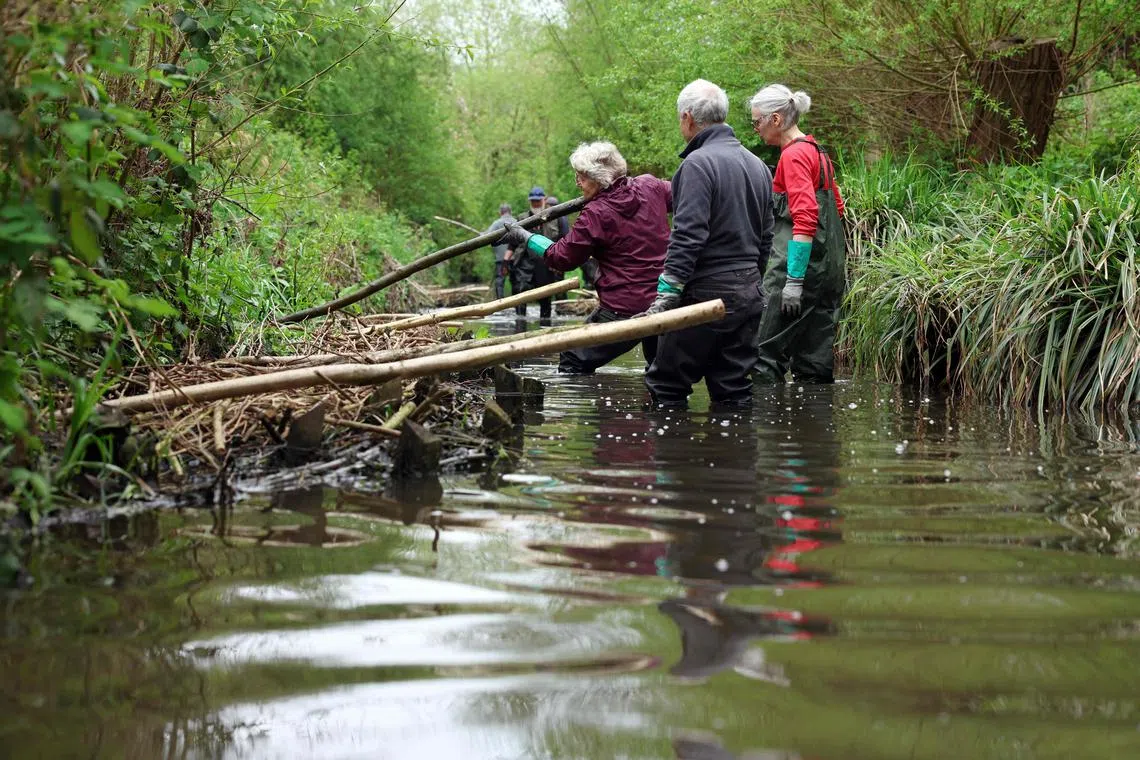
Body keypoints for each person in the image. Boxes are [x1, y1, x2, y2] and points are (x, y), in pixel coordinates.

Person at [642, 79, 774, 409]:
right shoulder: (758, 165)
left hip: (705, 295)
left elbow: (688, 235)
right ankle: (734, 455)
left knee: (667, 385)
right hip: (749, 292)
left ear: (687, 118)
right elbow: (766, 236)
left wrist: (668, 293)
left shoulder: (696, 165)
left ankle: (678, 456)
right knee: (732, 388)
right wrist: (751, 281)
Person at [499, 142, 672, 373]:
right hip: (666, 301)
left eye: (581, 177)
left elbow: (561, 257)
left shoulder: (595, 213)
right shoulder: (651, 185)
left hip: (623, 308)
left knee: (573, 359)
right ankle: (660, 406)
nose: (578, 183)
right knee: (662, 375)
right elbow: (689, 196)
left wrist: (525, 236)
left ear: (599, 178)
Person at [749, 84, 846, 384]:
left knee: (762, 357)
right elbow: (838, 209)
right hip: (828, 272)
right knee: (814, 365)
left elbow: (805, 217)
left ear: (775, 120)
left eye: (757, 122)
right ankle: (812, 429)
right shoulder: (818, 152)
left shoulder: (792, 156)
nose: (756, 130)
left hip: (797, 273)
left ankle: (765, 429)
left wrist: (793, 280)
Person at [506, 186, 566, 320]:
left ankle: (545, 327)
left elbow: (564, 239)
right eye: (533, 201)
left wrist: (560, 263)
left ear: (544, 200)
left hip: (546, 263)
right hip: (524, 263)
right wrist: (505, 262)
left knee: (545, 297)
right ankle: (519, 325)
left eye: (538, 201)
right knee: (520, 294)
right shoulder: (521, 218)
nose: (535, 204)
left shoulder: (555, 217)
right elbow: (512, 244)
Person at [483, 202, 515, 299]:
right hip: (515, 258)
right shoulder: (516, 221)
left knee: (500, 282)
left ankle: (500, 304)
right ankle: (518, 305)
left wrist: (481, 234)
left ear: (500, 212)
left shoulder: (496, 223)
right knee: (516, 282)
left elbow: (486, 235)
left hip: (500, 259)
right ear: (510, 211)